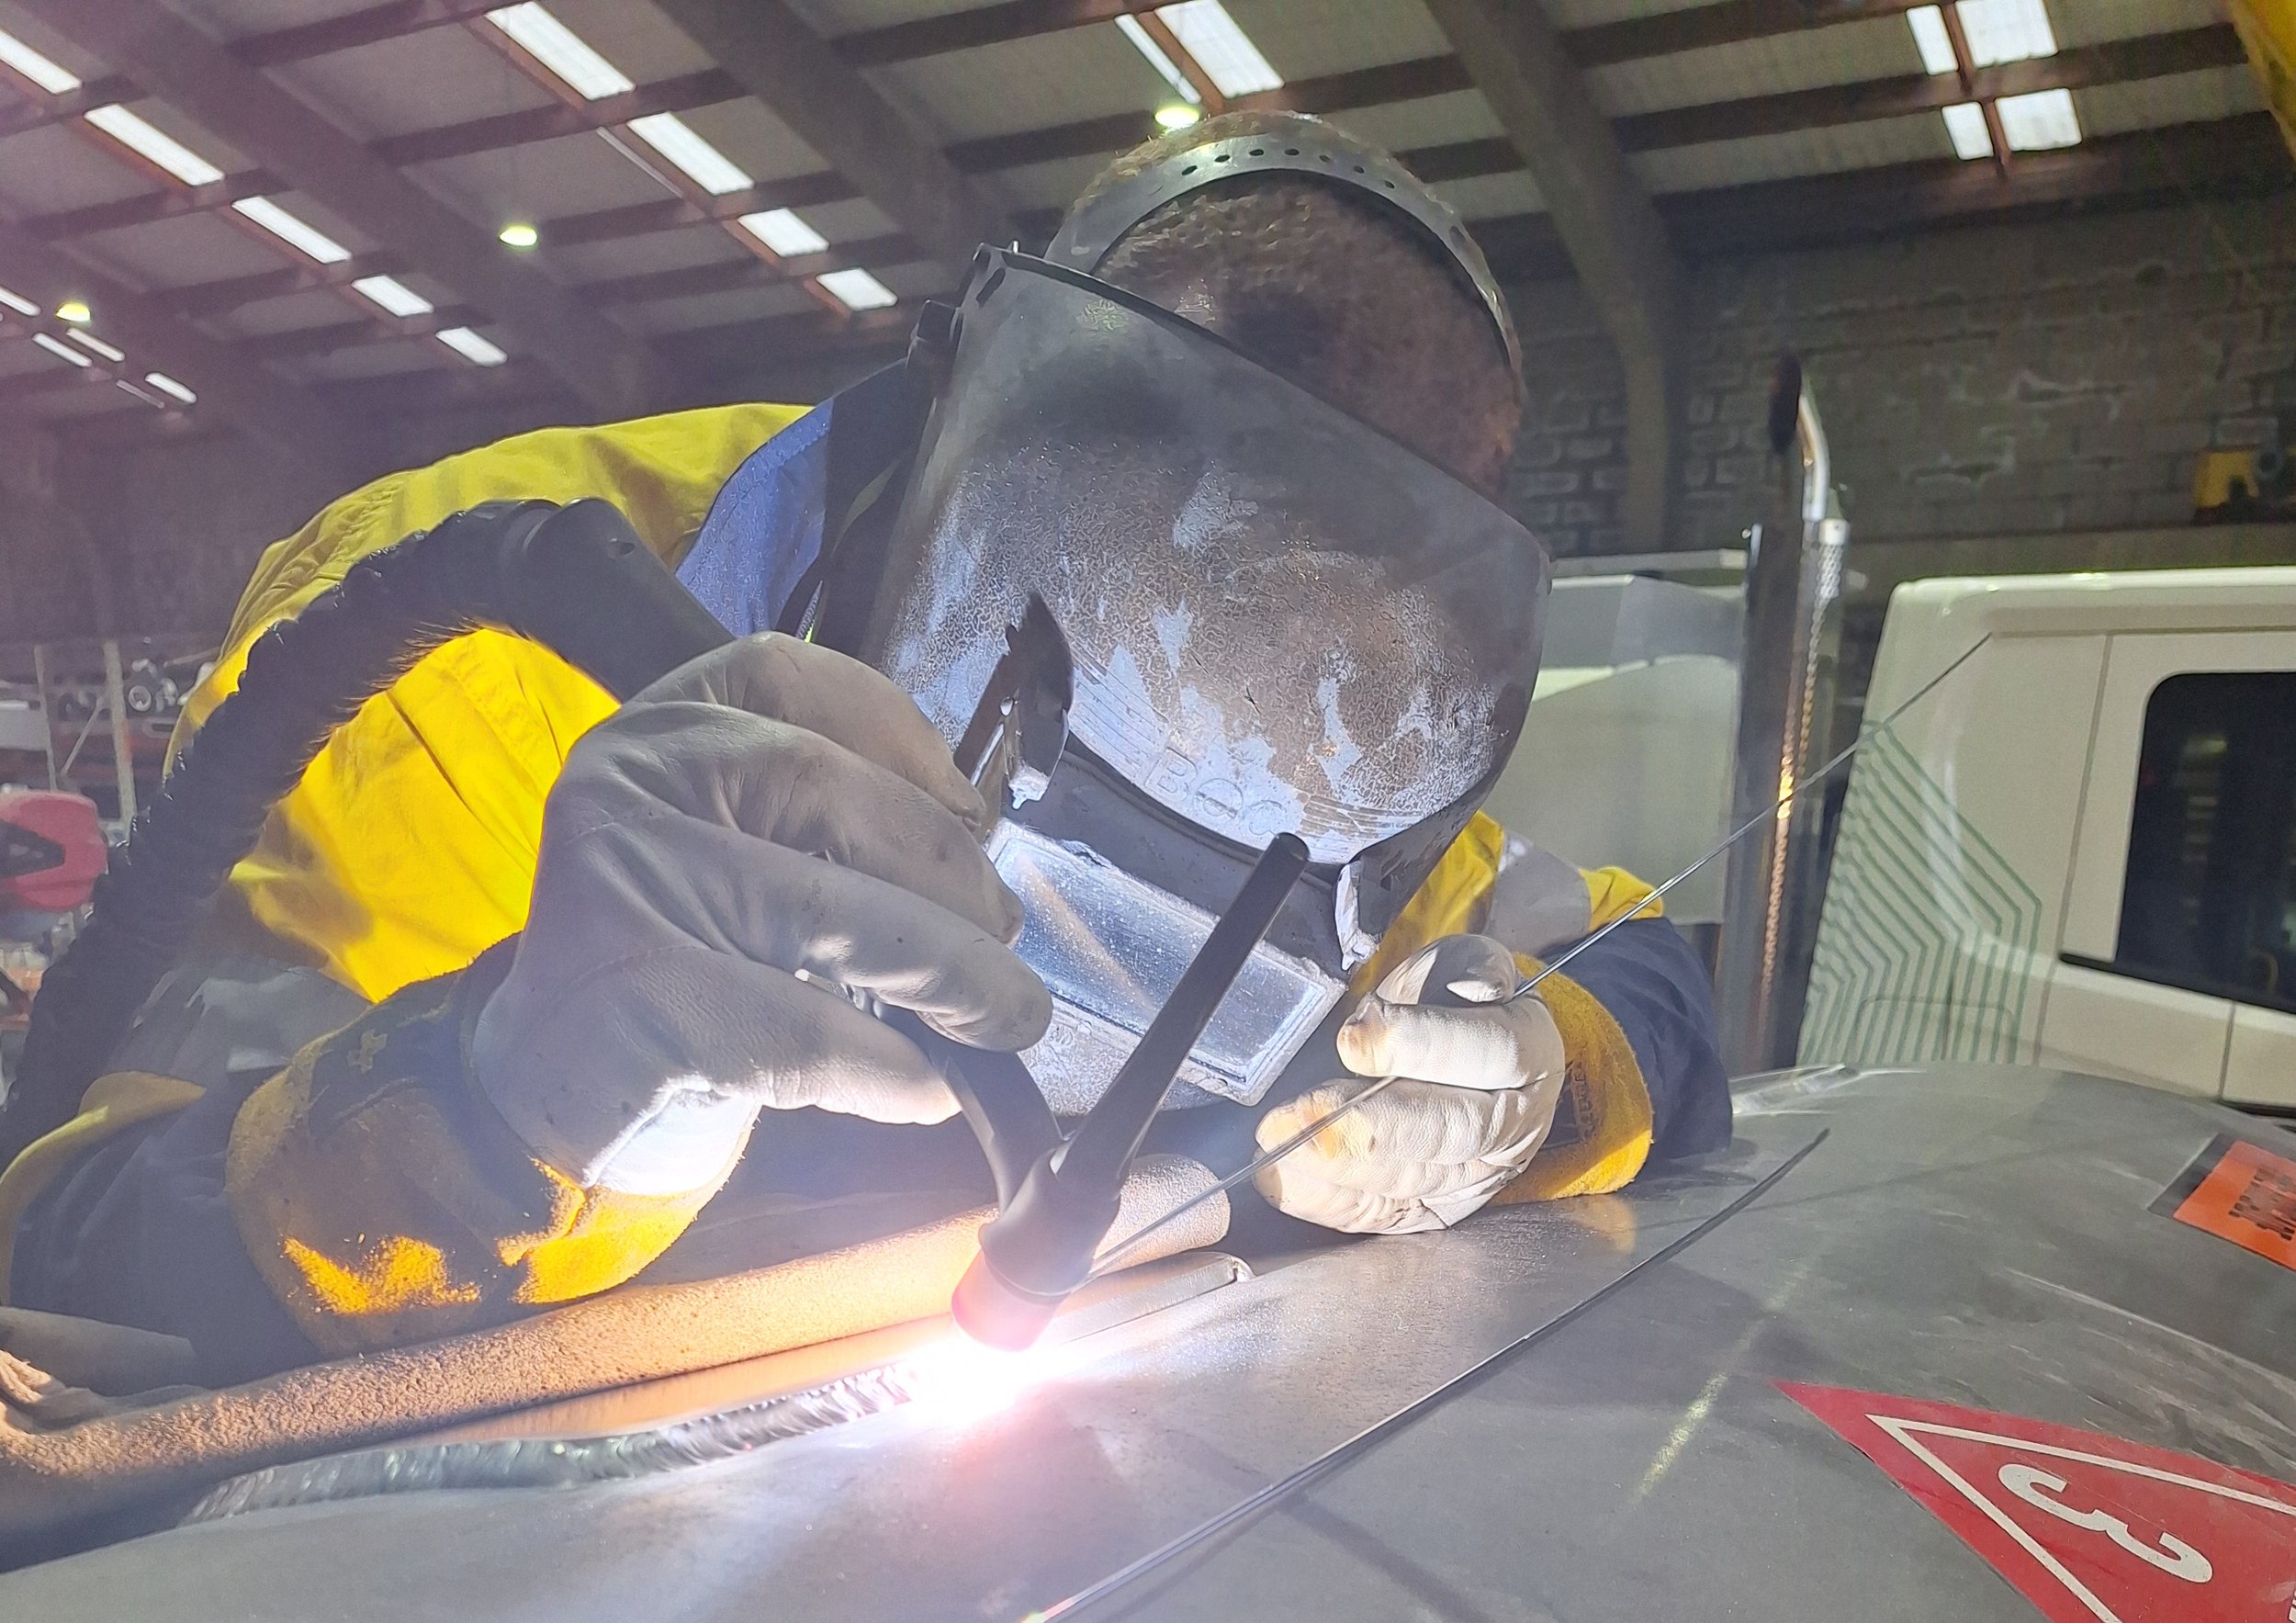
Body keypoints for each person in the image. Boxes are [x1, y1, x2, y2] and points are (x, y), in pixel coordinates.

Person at [0, 117, 1728, 1387]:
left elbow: (1642, 958)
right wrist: (505, 1093)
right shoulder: (474, 656)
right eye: (1156, 589)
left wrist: (1541, 1086)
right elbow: (72, 1259)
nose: (1237, 677)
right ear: (968, 410)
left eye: (1337, 633)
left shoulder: (1357, 787)